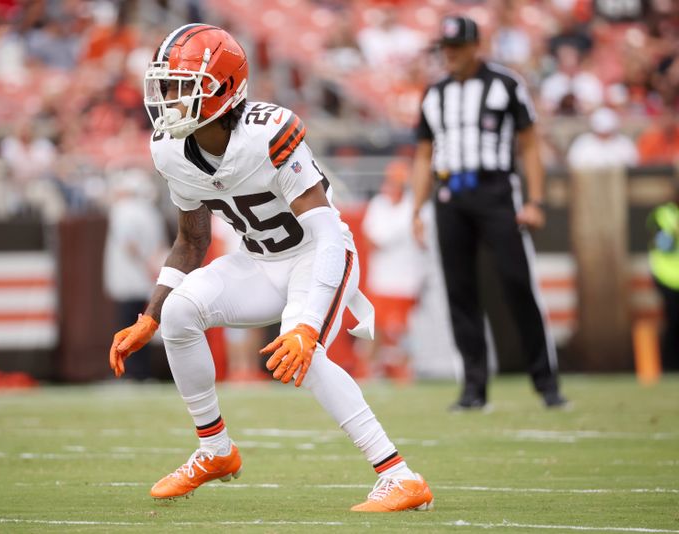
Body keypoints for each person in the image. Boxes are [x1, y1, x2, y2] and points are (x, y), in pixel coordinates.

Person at [108, 24, 433, 512]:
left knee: (305, 356)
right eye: (167, 85)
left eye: (182, 86)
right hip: (257, 261)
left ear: (222, 88)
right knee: (179, 314)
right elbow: (192, 239)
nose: (169, 98)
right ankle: (215, 451)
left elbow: (325, 233)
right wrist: (150, 314)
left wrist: (305, 325)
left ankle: (399, 476)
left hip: (317, 255)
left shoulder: (269, 131)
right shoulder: (171, 148)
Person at [410, 15, 568, 410]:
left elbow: (529, 144)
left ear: (474, 46)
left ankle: (545, 383)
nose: (450, 55)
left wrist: (535, 200)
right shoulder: (434, 93)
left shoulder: (505, 84)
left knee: (517, 283)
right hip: (449, 195)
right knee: (459, 292)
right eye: (445, 48)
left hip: (496, 189)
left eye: (457, 47)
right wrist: (416, 208)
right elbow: (424, 153)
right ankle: (473, 389)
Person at [361, 158, 429, 381]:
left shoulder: (414, 206)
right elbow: (373, 240)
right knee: (375, 329)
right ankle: (370, 370)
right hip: (381, 278)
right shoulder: (379, 204)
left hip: (407, 279)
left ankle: (406, 370)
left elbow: (420, 240)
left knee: (404, 330)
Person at [103, 169, 168, 380]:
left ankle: (131, 372)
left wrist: (145, 264)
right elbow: (160, 245)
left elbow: (129, 244)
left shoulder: (123, 210)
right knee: (145, 326)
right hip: (148, 277)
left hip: (130, 277)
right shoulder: (150, 211)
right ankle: (142, 371)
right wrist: (152, 266)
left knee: (128, 325)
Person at [646, 196, 679, 370]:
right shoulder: (664, 214)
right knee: (673, 321)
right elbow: (662, 245)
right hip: (667, 278)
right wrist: (673, 232)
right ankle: (670, 366)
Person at [566, 107, 638, 170]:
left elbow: (632, 165)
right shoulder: (583, 143)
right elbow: (574, 165)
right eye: (601, 133)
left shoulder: (624, 143)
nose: (604, 135)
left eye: (608, 133)